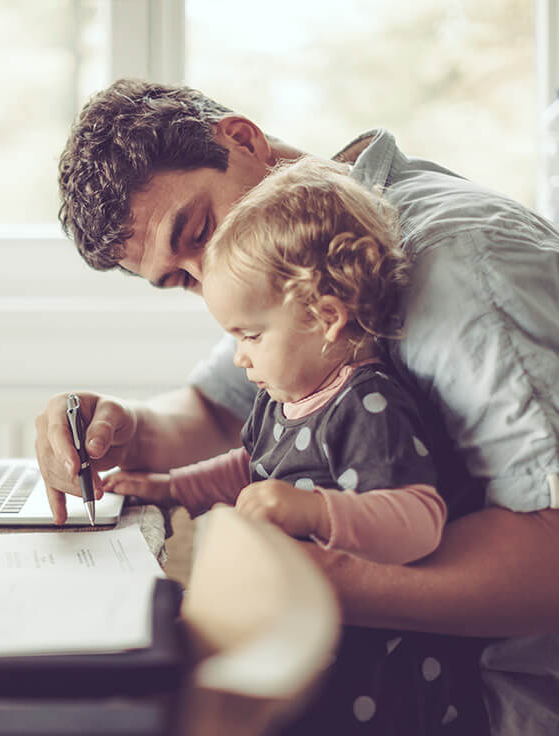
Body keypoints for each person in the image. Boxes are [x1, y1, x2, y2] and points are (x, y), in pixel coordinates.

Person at [36, 79, 559, 733]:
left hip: (497, 704)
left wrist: (312, 579)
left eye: (198, 233)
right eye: (180, 281)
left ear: (244, 139)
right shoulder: (288, 253)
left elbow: (552, 553)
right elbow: (218, 413)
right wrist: (120, 429)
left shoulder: (458, 266)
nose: (209, 284)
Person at [104, 154, 450, 569]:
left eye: (250, 336)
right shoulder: (281, 400)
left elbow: (420, 522)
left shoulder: (367, 406)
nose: (239, 357)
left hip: (358, 626)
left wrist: (314, 510)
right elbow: (250, 468)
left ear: (326, 318)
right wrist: (171, 489)